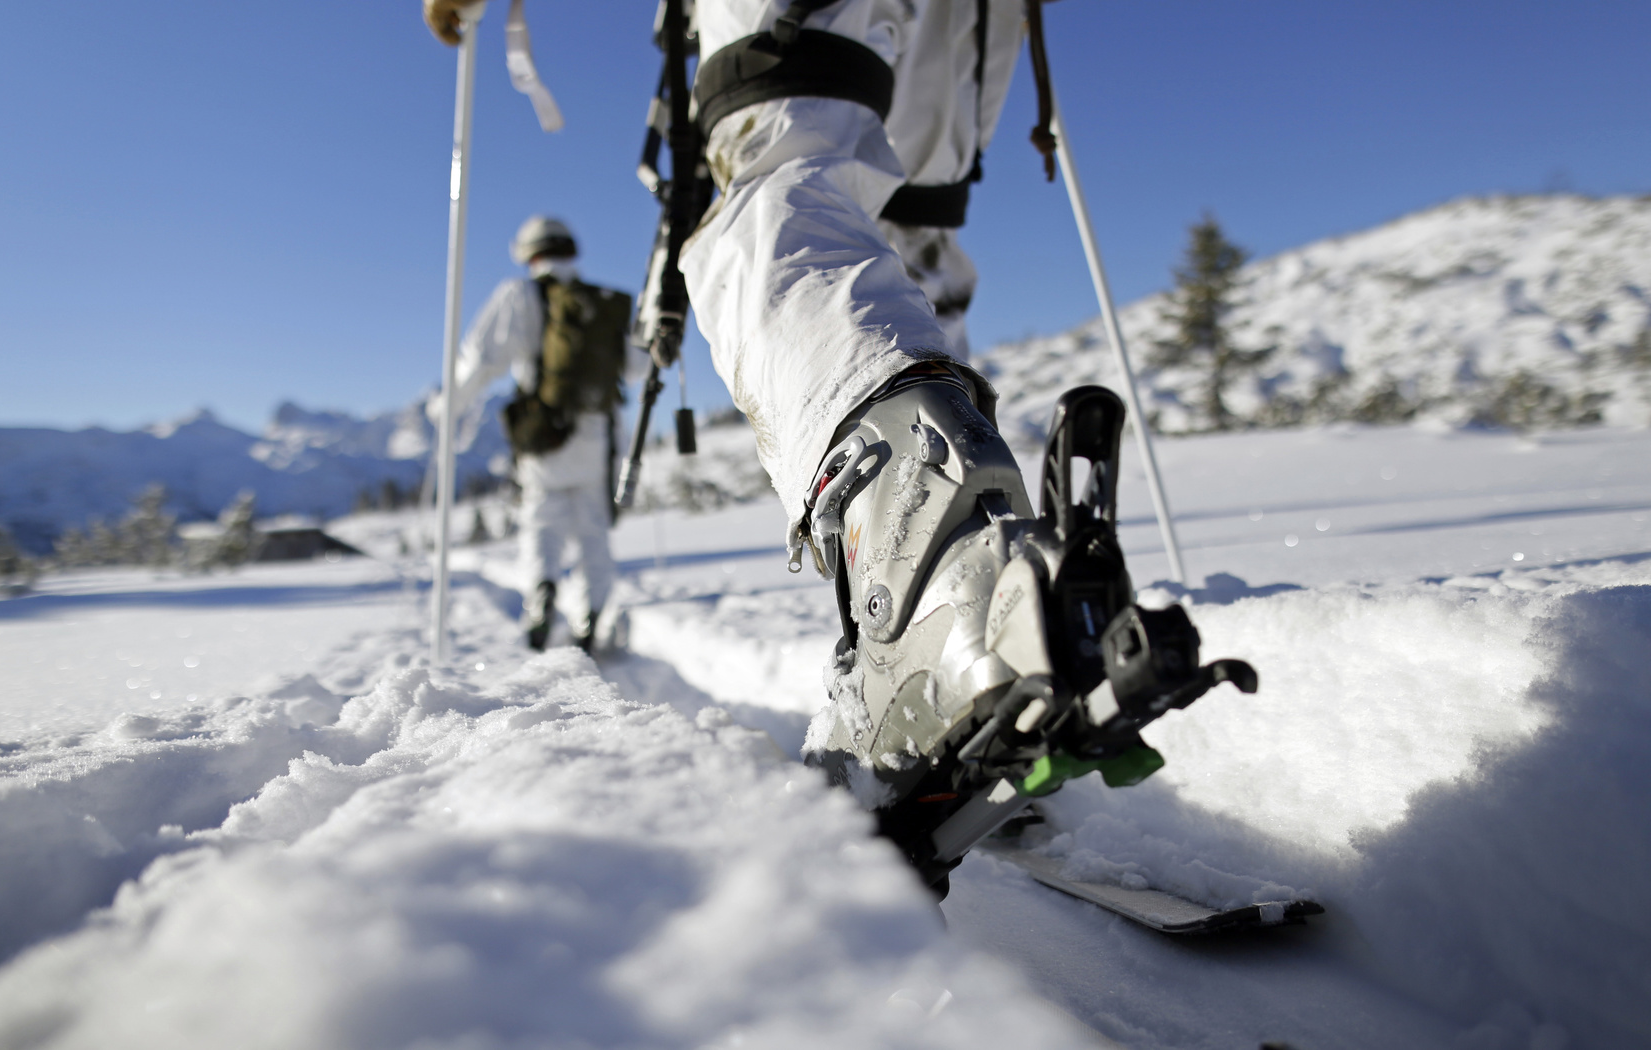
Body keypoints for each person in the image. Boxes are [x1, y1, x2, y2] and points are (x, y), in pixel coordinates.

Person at [422, 0, 1253, 897]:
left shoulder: (521, 300)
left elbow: (486, 364)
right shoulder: (586, 299)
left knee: (780, 174)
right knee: (908, 233)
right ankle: (995, 598)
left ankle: (941, 612)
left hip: (553, 441)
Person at [438, 216, 633, 652]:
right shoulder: (603, 302)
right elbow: (637, 367)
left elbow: (480, 360)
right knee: (593, 534)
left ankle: (542, 596)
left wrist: (446, 407)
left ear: (529, 254)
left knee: (542, 527)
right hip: (598, 440)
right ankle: (591, 621)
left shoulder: (518, 296)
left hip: (545, 437)